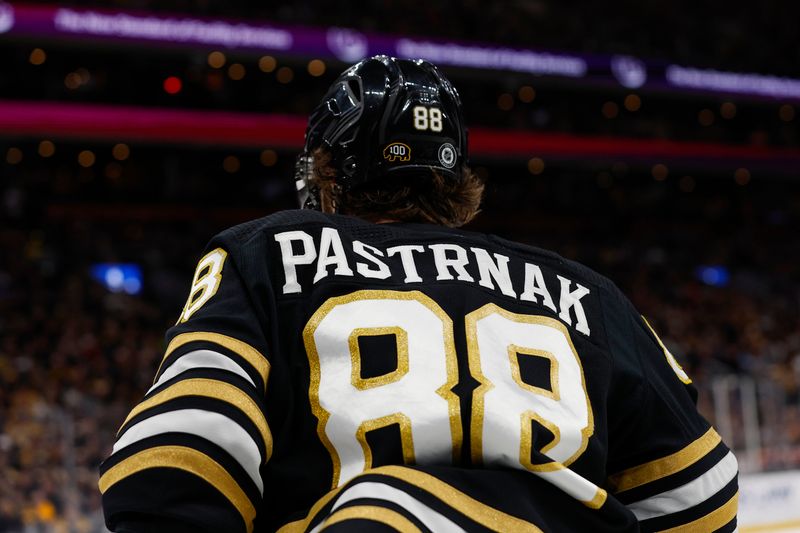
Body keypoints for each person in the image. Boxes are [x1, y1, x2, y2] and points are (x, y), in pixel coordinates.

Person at [99, 55, 738, 532]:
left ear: (331, 171)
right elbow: (703, 498)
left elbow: (180, 456)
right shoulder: (589, 293)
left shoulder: (261, 255)